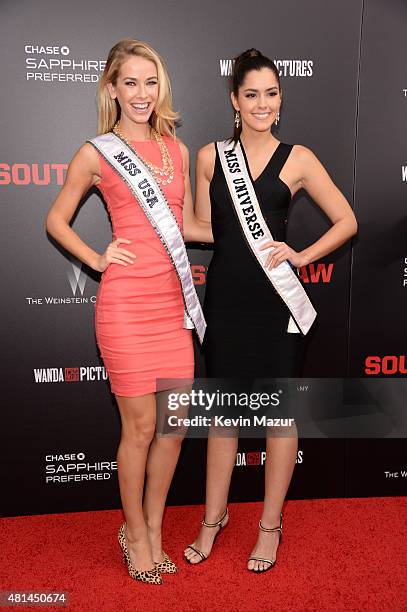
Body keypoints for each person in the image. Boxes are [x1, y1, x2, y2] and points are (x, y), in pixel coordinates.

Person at [184, 48, 357, 572]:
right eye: (252, 95)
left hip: (277, 305)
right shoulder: (210, 157)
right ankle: (213, 519)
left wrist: (301, 255)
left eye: (272, 94)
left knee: (279, 418)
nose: (263, 104)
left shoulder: (298, 158)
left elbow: (346, 220)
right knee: (224, 418)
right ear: (235, 101)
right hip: (227, 302)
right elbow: (198, 228)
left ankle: (269, 525)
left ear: (281, 101)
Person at [46, 38, 211, 585]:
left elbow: (185, 225)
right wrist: (98, 256)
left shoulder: (175, 149)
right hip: (125, 305)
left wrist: (242, 240)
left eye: (150, 81)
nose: (142, 93)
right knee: (140, 429)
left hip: (170, 304)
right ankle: (134, 532)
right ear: (112, 89)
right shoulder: (97, 151)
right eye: (131, 83)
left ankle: (156, 527)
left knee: (175, 425)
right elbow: (56, 220)